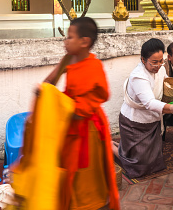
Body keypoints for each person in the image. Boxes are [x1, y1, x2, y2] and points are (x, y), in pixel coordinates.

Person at [43, 17, 119, 210]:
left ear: (84, 42)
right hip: (70, 122)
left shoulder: (94, 66)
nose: (65, 41)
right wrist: (44, 93)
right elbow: (49, 82)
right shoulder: (68, 60)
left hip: (89, 127)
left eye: (69, 37)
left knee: (87, 173)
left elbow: (98, 97)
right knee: (69, 170)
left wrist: (64, 107)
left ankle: (91, 203)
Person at [114, 38, 173, 178]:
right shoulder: (138, 76)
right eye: (154, 62)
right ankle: (111, 147)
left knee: (155, 163)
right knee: (138, 165)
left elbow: (167, 86)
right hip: (134, 123)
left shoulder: (161, 69)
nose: (158, 65)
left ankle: (124, 148)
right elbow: (150, 103)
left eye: (161, 61)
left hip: (152, 121)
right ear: (143, 60)